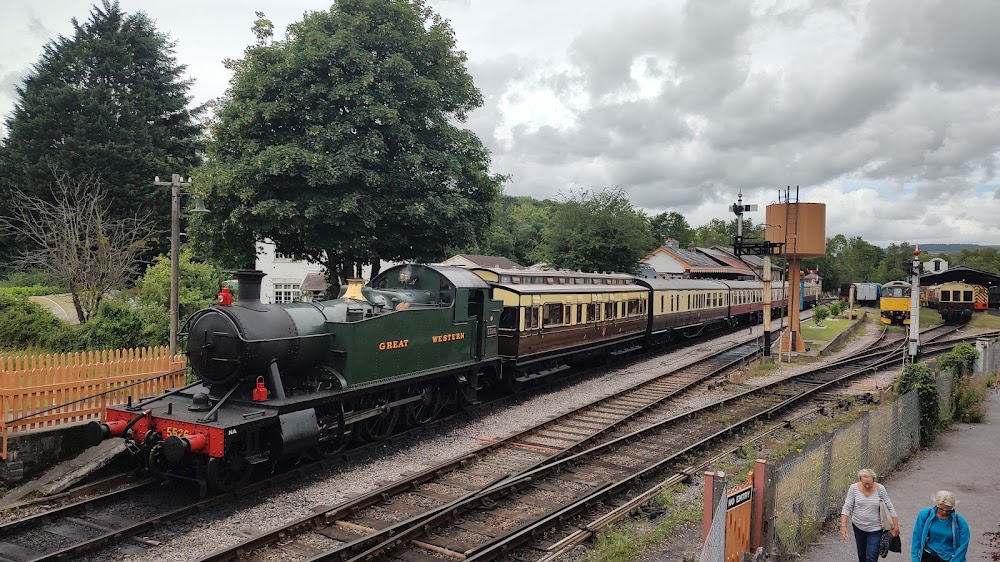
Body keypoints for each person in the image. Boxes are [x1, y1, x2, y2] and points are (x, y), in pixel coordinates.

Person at [841, 468, 900, 562]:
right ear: (860, 480)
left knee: (871, 557)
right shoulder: (853, 488)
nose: (867, 486)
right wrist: (843, 525)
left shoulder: (880, 489)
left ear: (874, 480)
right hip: (858, 527)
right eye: (865, 483)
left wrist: (896, 526)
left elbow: (890, 507)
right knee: (862, 555)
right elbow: (847, 507)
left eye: (870, 483)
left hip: (875, 529)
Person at [911, 490, 971, 562]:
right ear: (937, 505)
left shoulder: (960, 523)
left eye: (948, 510)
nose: (944, 512)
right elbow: (917, 536)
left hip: (949, 558)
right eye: (941, 509)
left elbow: (963, 546)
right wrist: (915, 559)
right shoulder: (925, 514)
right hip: (928, 555)